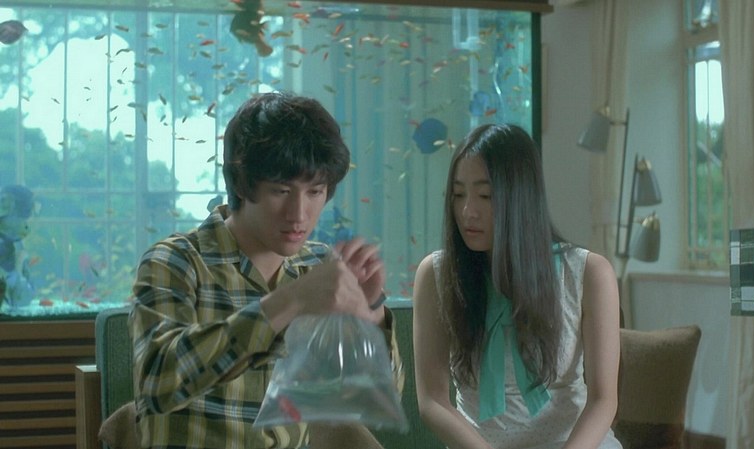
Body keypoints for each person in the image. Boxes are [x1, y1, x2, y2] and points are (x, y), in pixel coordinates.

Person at [129, 91, 401, 449]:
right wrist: (290, 301)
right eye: (281, 191)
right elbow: (157, 382)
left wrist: (371, 314)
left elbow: (376, 396)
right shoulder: (176, 261)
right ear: (242, 184)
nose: (298, 214)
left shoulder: (319, 266)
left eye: (315, 192)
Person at [412, 124, 622, 449]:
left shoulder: (588, 274)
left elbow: (603, 400)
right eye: (458, 194)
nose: (467, 211)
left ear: (520, 197)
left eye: (485, 196)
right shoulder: (437, 275)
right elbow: (433, 401)